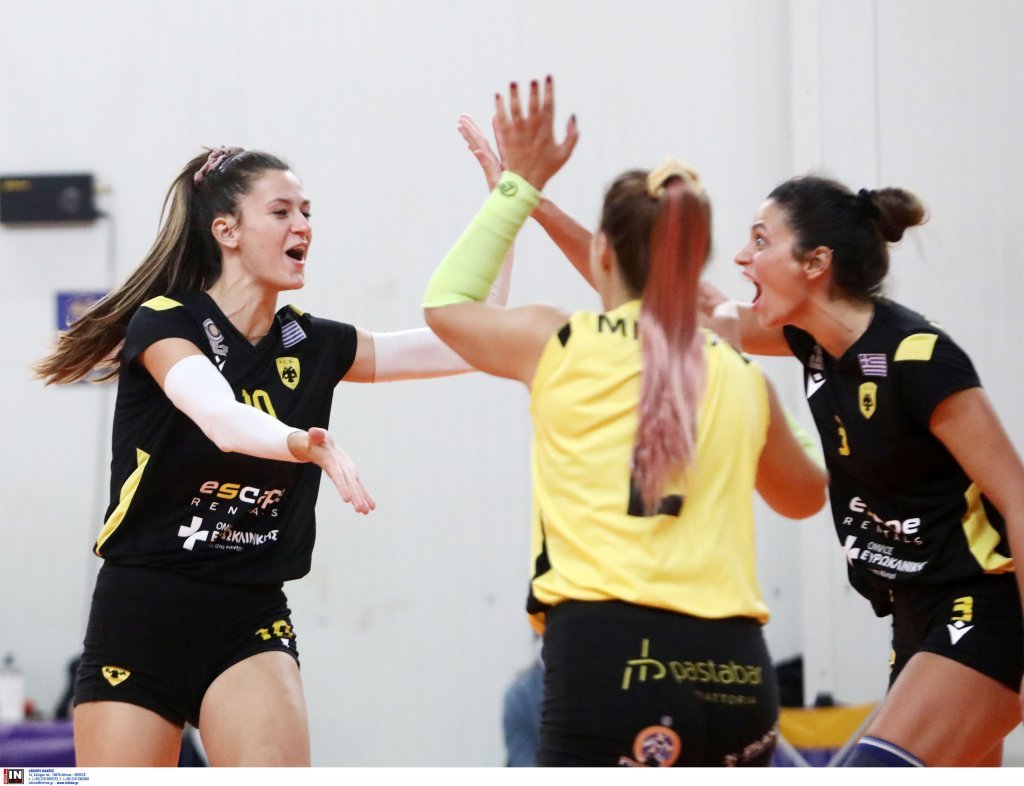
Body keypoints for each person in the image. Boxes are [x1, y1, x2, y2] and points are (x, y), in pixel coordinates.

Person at [34, 146, 510, 766]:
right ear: (226, 231)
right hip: (143, 608)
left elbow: (475, 342)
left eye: (307, 212)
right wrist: (299, 442)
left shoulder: (311, 343)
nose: (303, 226)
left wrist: (506, 206)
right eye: (282, 211)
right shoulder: (167, 322)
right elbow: (220, 418)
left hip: (248, 613)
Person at [424, 77, 828, 767]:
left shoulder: (559, 343)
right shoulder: (739, 375)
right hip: (735, 671)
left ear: (602, 253)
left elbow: (447, 304)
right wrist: (757, 364)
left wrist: (516, 188)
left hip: (609, 661)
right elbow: (808, 492)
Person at [696, 175, 1024, 766]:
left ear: (815, 262)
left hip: (983, 602)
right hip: (911, 610)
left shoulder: (918, 356)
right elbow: (660, 296)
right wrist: (536, 202)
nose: (742, 256)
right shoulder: (811, 342)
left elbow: (1017, 498)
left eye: (761, 239)